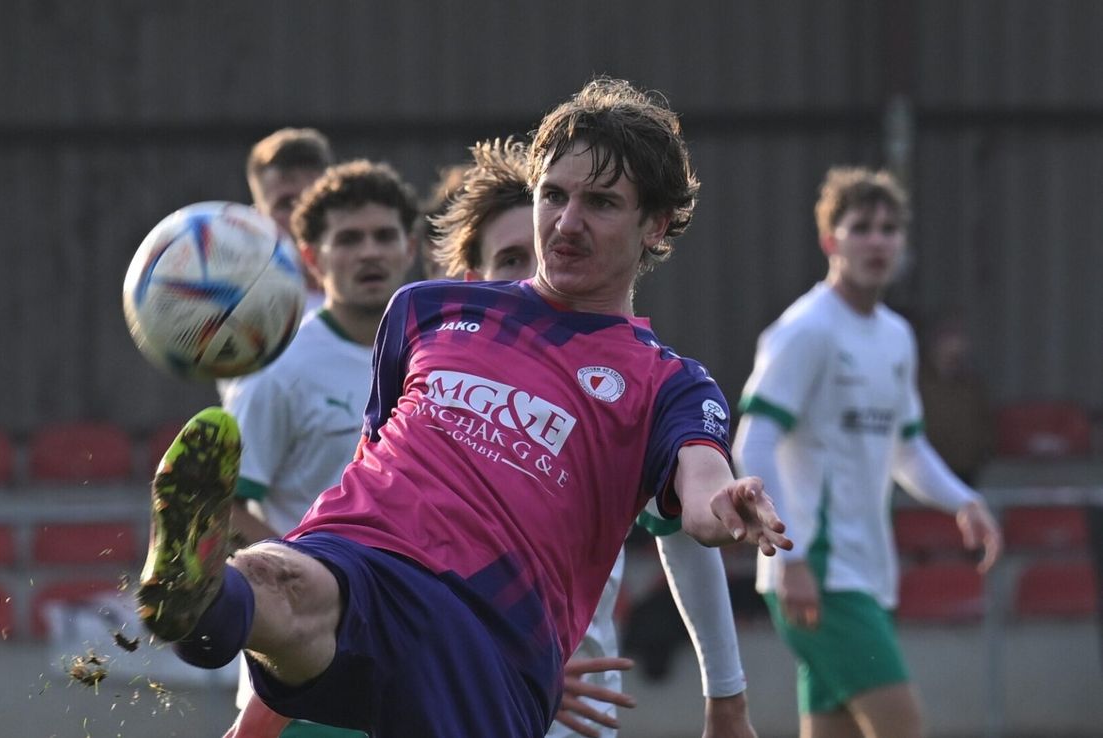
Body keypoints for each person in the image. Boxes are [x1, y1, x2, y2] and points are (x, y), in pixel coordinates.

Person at [137, 77, 790, 738]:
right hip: (368, 558)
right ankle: (199, 601)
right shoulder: (425, 309)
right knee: (272, 579)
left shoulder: (667, 380)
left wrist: (723, 505)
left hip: (487, 634)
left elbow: (701, 483)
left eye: (600, 203)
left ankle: (210, 605)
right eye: (553, 195)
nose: (566, 224)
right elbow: (375, 462)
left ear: (654, 225)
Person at [432, 136, 754, 738]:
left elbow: (682, 531)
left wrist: (726, 695)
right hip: (439, 695)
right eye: (510, 261)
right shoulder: (428, 387)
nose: (538, 271)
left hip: (570, 713)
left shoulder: (636, 385)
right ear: (473, 279)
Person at [732, 166, 1003, 738]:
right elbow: (752, 441)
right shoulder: (805, 330)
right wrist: (792, 556)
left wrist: (963, 500)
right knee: (902, 726)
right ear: (831, 241)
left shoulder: (896, 336)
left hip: (869, 574)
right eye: (861, 227)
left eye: (888, 228)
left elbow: (906, 448)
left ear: (902, 243)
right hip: (820, 573)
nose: (877, 240)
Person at [220, 159, 419, 737]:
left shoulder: (441, 362)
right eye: (348, 239)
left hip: (415, 668)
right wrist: (303, 581)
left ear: (410, 248)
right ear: (312, 257)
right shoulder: (277, 370)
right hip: (304, 684)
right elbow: (224, 507)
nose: (369, 253)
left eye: (384, 236)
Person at [246, 127, 334, 309]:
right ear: (257, 217)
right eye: (287, 204)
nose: (303, 216)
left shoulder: (379, 311)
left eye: (313, 201)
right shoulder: (238, 313)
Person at [915, 313, 996, 486]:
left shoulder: (972, 384)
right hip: (923, 475)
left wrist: (982, 452)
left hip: (966, 473)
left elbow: (984, 422)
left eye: (958, 338)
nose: (954, 345)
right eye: (948, 338)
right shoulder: (917, 382)